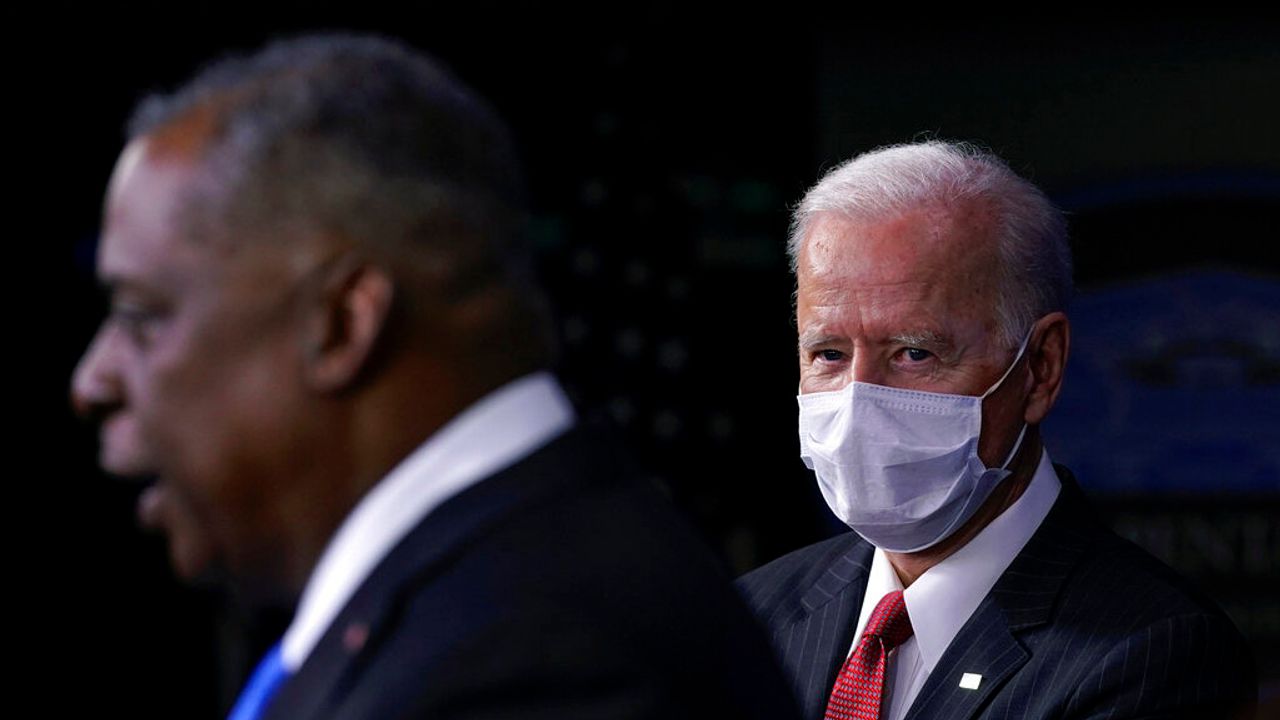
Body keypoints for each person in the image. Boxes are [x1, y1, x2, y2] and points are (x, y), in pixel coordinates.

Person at [71, 34, 800, 720]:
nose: (92, 382)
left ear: (341, 323)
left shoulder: (538, 664)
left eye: (141, 316)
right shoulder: (472, 599)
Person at [737, 141, 1257, 720]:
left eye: (914, 353)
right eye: (829, 354)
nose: (860, 400)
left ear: (1040, 367)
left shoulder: (1155, 655)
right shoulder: (748, 618)